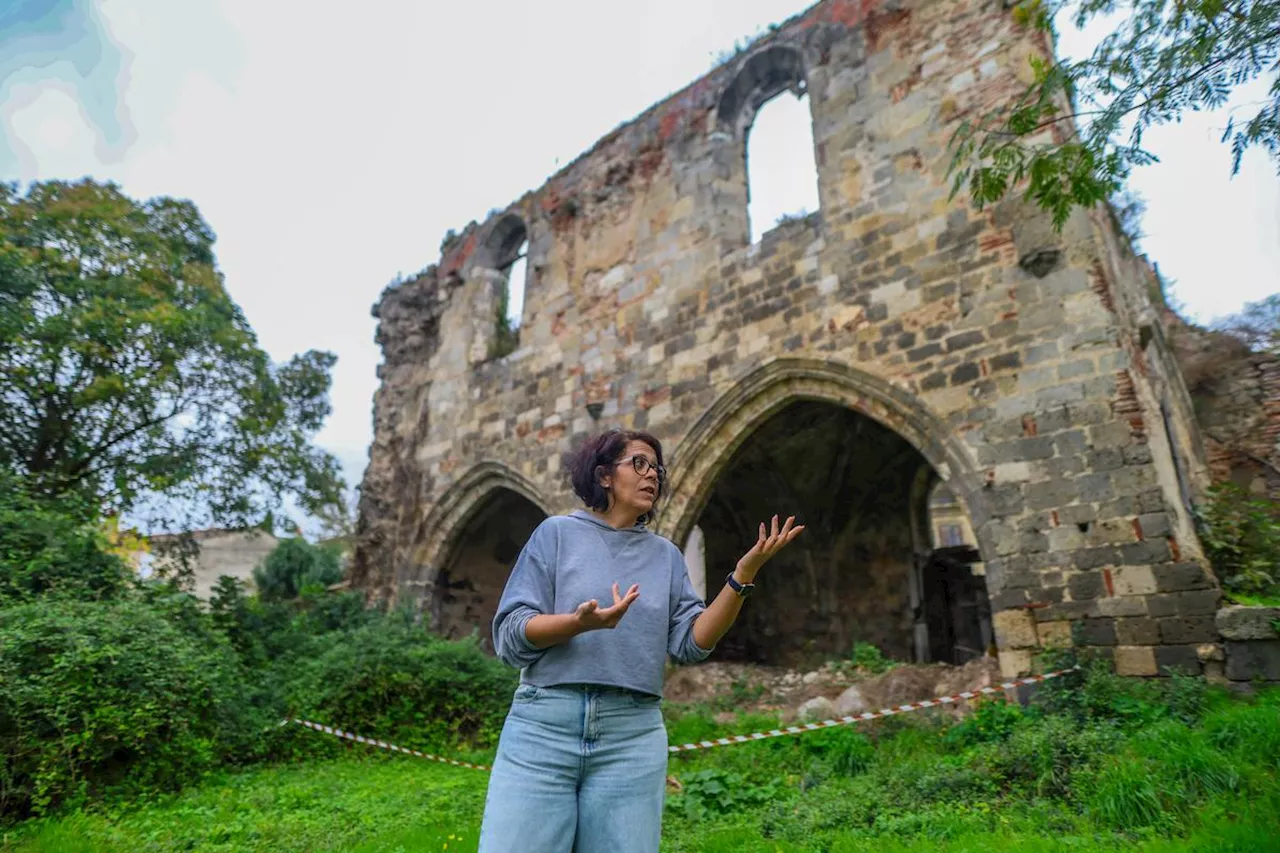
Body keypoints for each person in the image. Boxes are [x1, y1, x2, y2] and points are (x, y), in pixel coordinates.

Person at [477, 429, 804, 852]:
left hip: (631, 735)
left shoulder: (666, 556)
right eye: (639, 463)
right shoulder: (555, 534)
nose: (653, 475)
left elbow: (691, 641)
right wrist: (578, 624)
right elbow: (511, 634)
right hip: (544, 727)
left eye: (657, 469)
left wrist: (742, 576)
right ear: (604, 476)